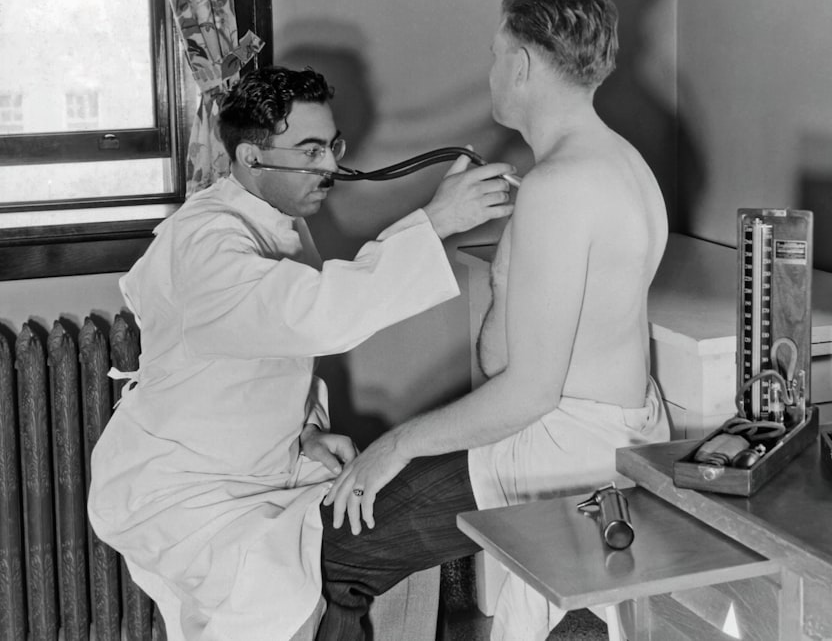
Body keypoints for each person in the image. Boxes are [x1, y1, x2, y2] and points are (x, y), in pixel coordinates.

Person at [86, 65, 516, 641]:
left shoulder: (274, 222)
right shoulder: (205, 245)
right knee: (302, 582)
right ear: (251, 157)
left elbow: (270, 349)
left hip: (255, 466)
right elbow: (316, 316)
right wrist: (435, 222)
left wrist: (306, 434)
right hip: (188, 493)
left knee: (362, 536)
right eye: (310, 150)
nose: (332, 166)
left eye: (332, 145)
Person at [321, 0, 672, 640]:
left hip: (556, 446)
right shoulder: (620, 163)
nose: (491, 70)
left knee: (338, 548)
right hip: (606, 434)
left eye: (494, 53)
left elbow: (528, 393)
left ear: (521, 63)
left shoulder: (561, 188)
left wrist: (391, 448)